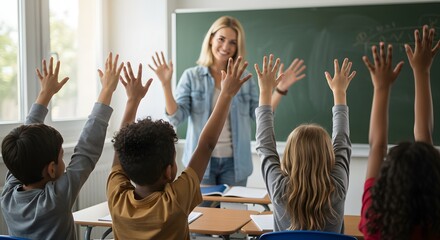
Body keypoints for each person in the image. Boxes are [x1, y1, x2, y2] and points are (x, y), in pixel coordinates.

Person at [149, 15, 306, 187]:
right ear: (210, 39)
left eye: (232, 42)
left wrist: (279, 89)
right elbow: (176, 117)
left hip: (235, 163)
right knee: (205, 213)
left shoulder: (244, 78)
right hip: (200, 160)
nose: (226, 47)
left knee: (233, 212)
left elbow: (259, 115)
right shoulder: (191, 76)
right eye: (221, 39)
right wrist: (165, 84)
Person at [106, 57, 251, 239]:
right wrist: (226, 94)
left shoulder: (116, 196)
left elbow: (120, 151)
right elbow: (206, 145)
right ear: (169, 171)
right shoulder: (175, 200)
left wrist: (132, 101)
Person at [0, 53, 122, 239]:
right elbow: (86, 151)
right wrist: (107, 90)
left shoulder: (7, 196)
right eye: (61, 156)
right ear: (51, 169)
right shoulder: (55, 199)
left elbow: (25, 141)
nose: (64, 161)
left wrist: (45, 93)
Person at [255, 54, 356, 232]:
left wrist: (265, 91)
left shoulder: (279, 189)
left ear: (289, 156)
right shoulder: (337, 187)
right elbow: (342, 140)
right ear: (329, 155)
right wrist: (340, 93)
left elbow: (265, 145)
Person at [359, 25, 440, 239]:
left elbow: (377, 146)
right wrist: (422, 71)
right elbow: (423, 140)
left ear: (387, 178)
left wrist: (381, 88)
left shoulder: (373, 218)